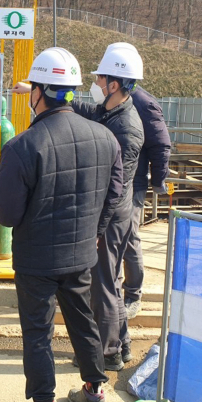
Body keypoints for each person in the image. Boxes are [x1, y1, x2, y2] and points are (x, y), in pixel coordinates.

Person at [0, 47, 124, 402]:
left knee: (39, 334)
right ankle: (94, 393)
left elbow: (7, 215)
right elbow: (115, 195)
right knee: (82, 320)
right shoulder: (106, 138)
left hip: (36, 259)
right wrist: (94, 231)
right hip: (81, 252)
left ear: (39, 91)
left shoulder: (22, 146)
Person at [71, 42, 145, 372]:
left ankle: (108, 352)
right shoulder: (112, 112)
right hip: (112, 214)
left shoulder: (127, 128)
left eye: (101, 80)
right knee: (110, 282)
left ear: (115, 84)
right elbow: (88, 111)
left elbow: (116, 189)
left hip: (112, 217)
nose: (98, 85)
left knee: (102, 284)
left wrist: (97, 230)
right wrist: (55, 95)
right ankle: (124, 343)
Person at [121, 60, 171, 318]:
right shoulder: (115, 99)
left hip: (134, 182)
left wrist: (158, 181)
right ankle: (113, 290)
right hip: (115, 182)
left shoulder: (143, 103)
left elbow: (161, 144)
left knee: (129, 237)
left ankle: (133, 294)